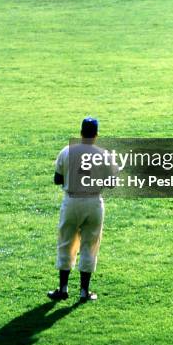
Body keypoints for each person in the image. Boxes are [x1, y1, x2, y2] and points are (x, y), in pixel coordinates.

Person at [48, 117, 117, 303]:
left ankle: (63, 288)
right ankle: (84, 292)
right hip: (94, 203)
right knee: (90, 245)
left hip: (71, 202)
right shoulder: (103, 154)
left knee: (66, 243)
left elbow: (57, 179)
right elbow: (111, 184)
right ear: (96, 134)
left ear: (81, 132)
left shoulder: (67, 151)